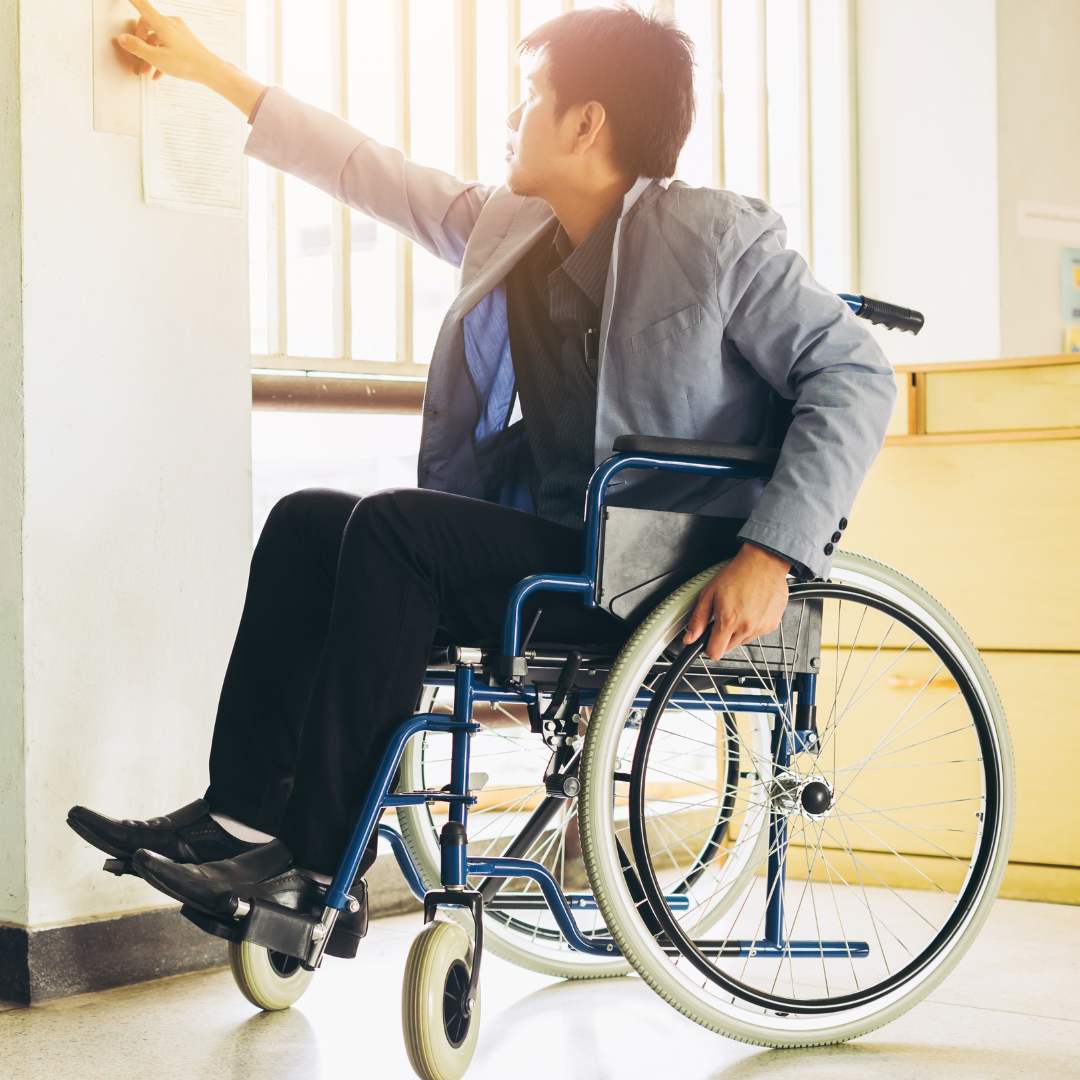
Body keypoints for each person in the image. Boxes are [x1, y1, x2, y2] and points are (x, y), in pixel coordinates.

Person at [67, 0, 897, 949]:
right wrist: (210, 70)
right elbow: (371, 172)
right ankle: (244, 821)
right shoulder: (515, 226)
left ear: (587, 122)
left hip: (661, 569)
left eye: (532, 97)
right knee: (308, 521)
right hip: (555, 550)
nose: (514, 118)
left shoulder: (714, 238)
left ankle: (316, 872)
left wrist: (771, 553)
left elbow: (855, 374)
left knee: (394, 529)